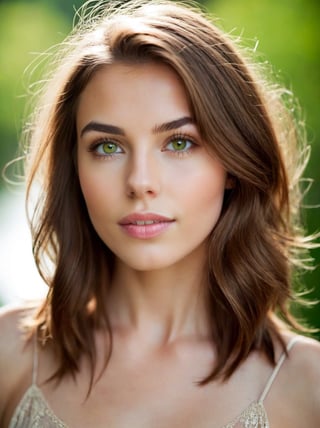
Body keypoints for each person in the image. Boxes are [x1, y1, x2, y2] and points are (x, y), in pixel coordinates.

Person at [0, 0, 319, 426]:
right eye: (108, 147)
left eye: (179, 142)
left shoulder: (307, 386)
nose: (140, 181)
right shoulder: (10, 354)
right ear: (74, 167)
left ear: (234, 164)